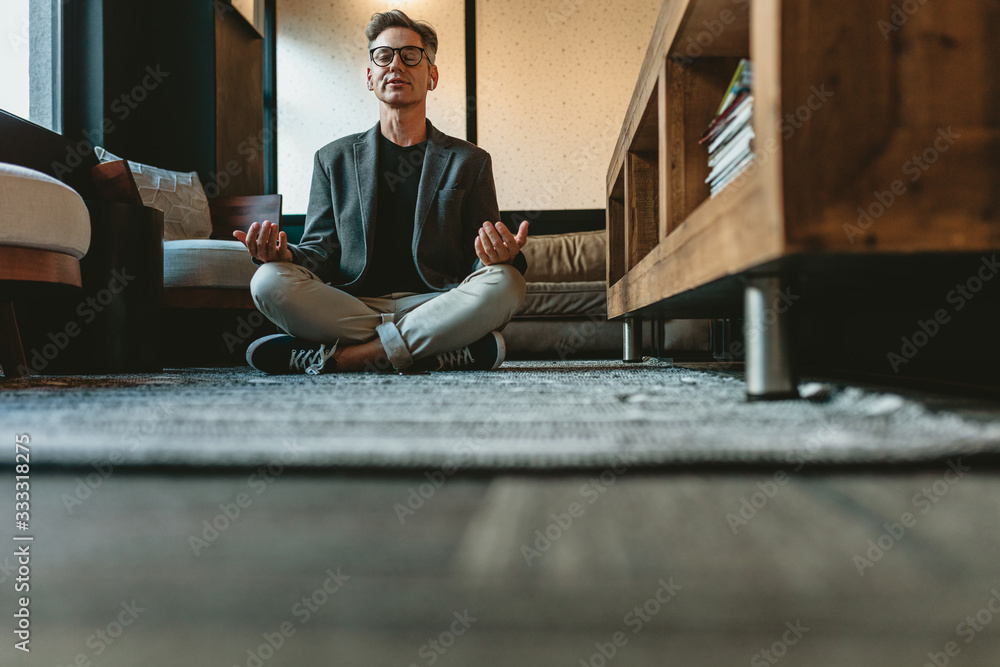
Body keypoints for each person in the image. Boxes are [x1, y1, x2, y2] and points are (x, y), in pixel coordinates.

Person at [235, 9, 529, 375]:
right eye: (383, 56)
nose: (396, 66)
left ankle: (345, 359)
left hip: (436, 302)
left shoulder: (471, 161)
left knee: (507, 283)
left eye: (410, 56)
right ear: (370, 76)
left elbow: (478, 260)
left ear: (431, 76)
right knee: (267, 280)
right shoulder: (332, 159)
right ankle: (437, 350)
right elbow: (321, 253)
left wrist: (497, 256)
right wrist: (283, 254)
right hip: (352, 306)